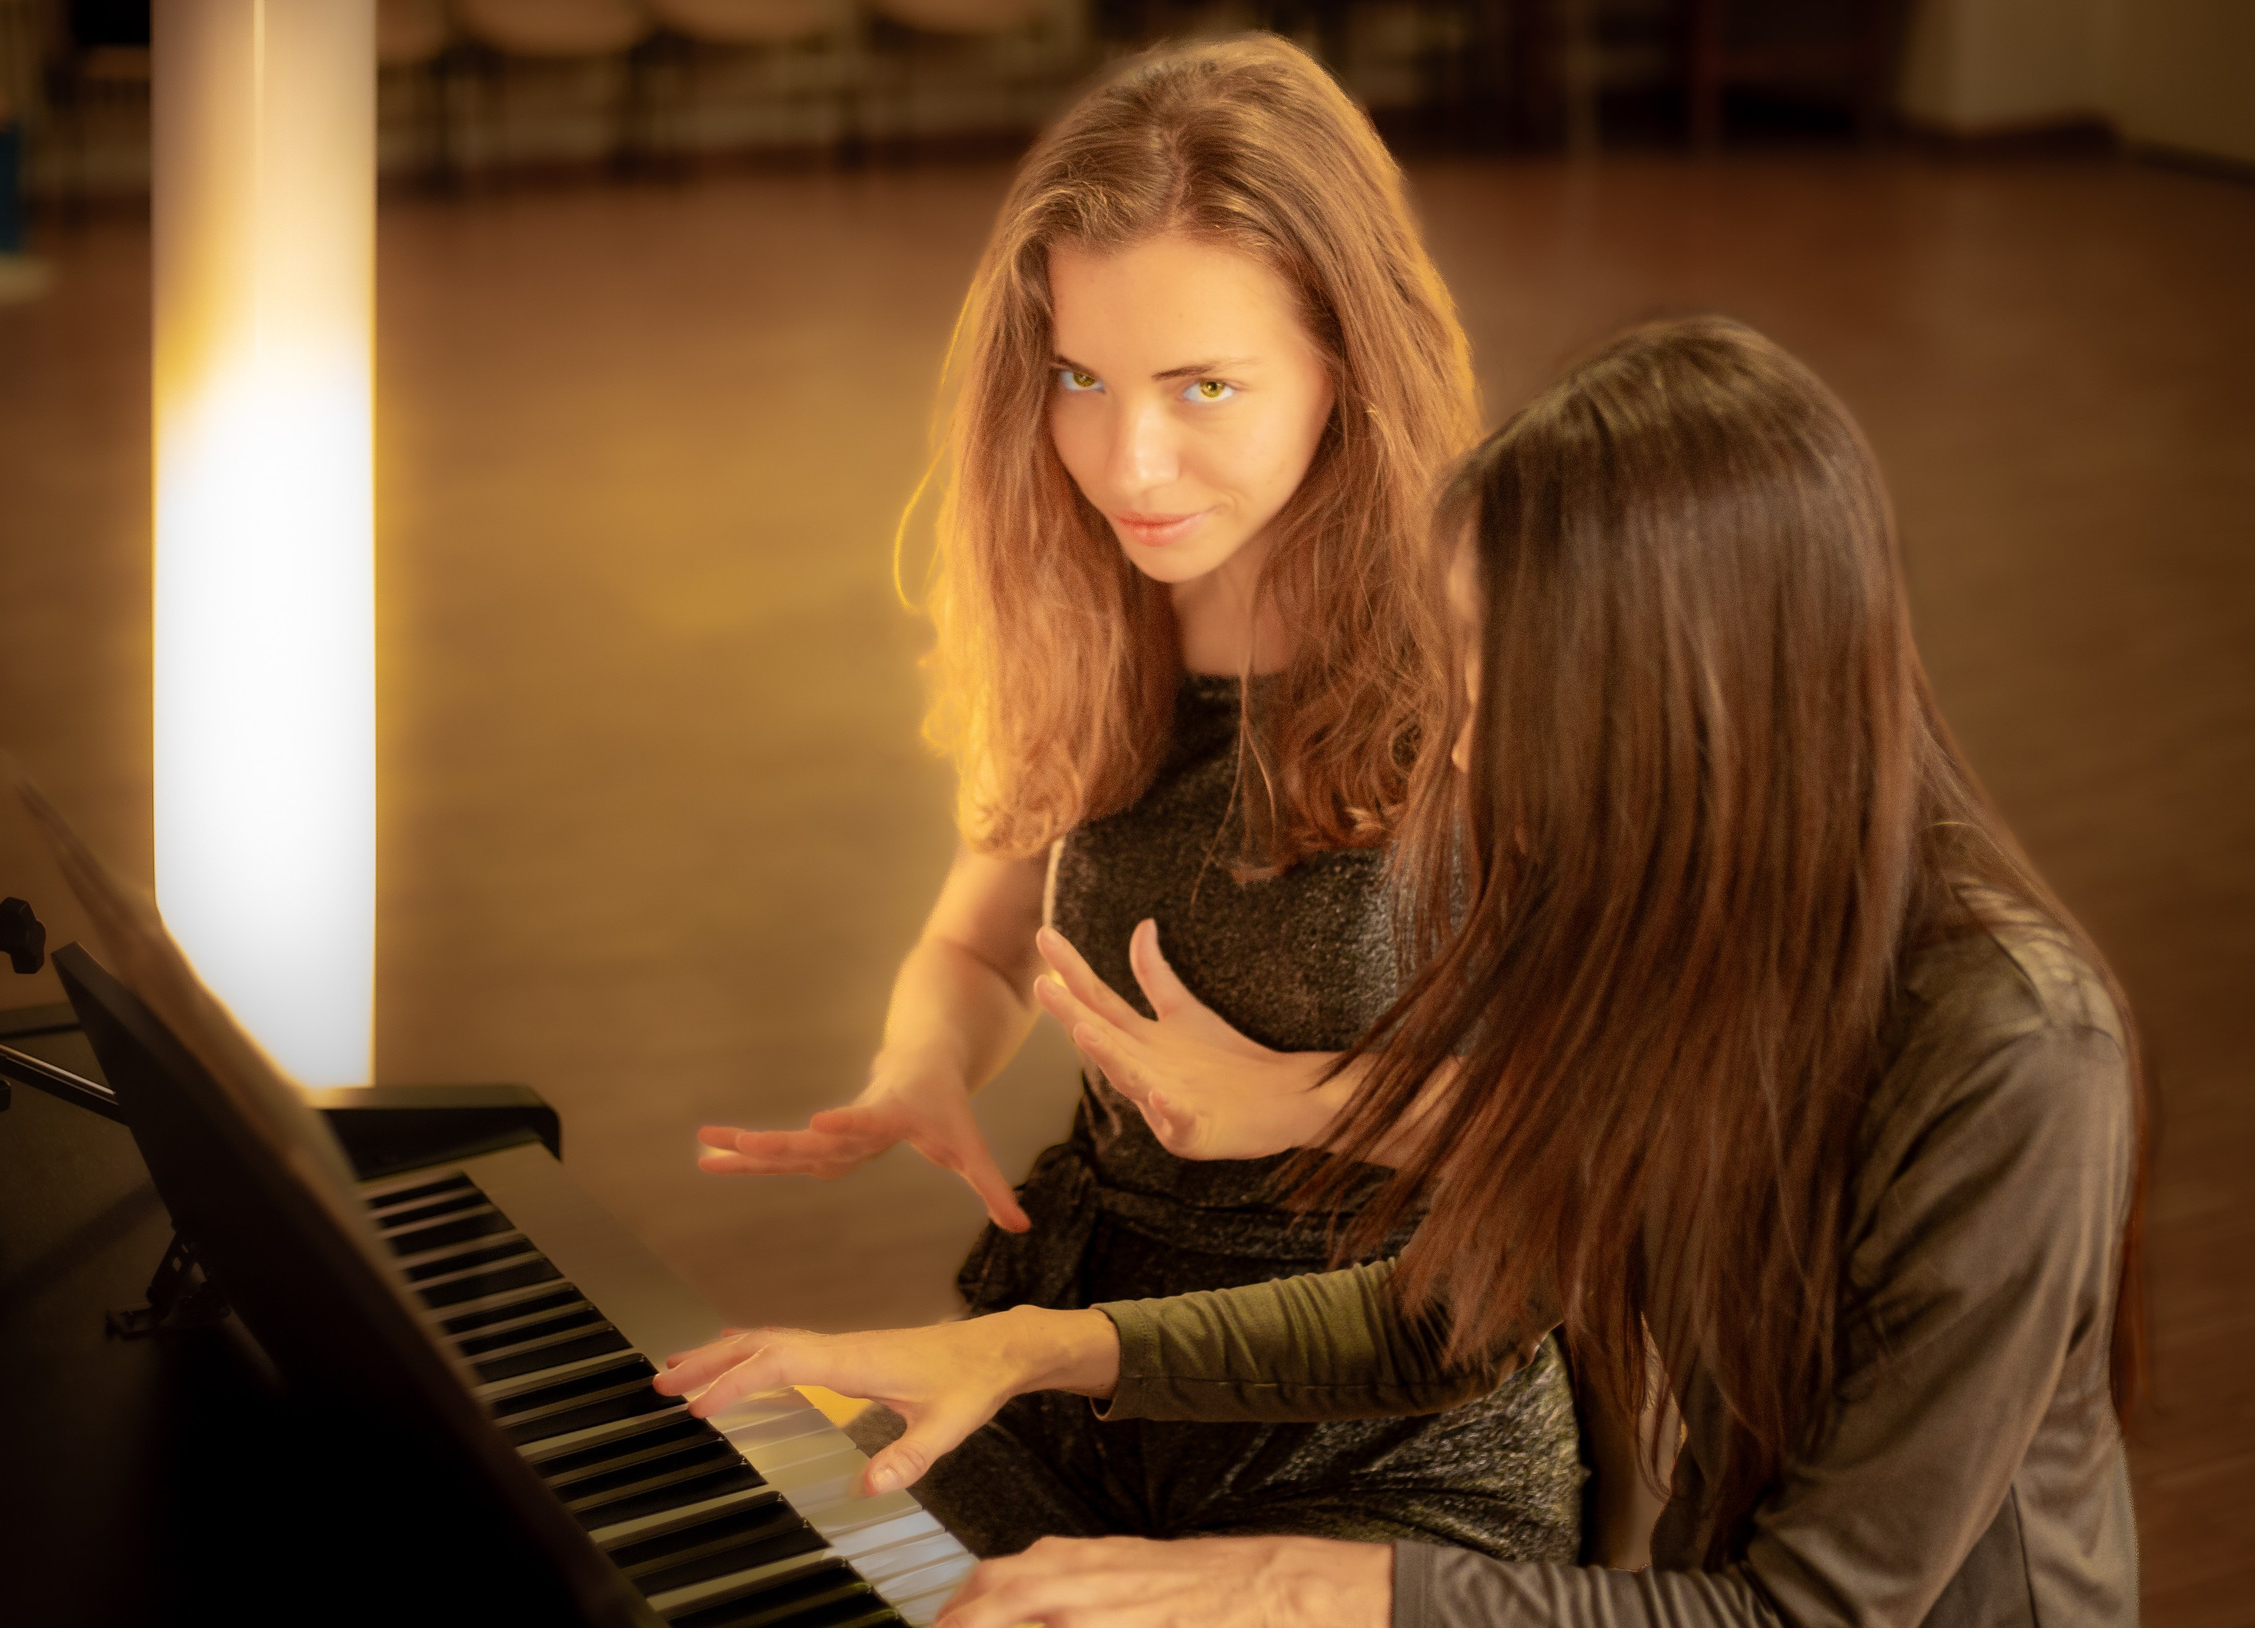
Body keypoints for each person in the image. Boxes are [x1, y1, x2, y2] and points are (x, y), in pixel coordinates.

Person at [658, 316, 2148, 1626]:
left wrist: (1295, 1582)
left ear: (1677, 711)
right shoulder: (1647, 924)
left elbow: (1816, 1612)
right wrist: (1031, 1348)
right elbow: (1441, 1314)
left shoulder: (2011, 1048)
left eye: (1505, 695)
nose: (1460, 751)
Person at [691, 36, 1585, 1563]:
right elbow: (979, 949)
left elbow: (1624, 1134)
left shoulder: (1494, 646)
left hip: (1390, 1419)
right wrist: (921, 1064)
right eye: (1079, 379)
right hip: (1069, 1364)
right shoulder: (1092, 612)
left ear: (1347, 371)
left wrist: (1298, 1105)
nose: (1126, 457)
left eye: (1203, 387)